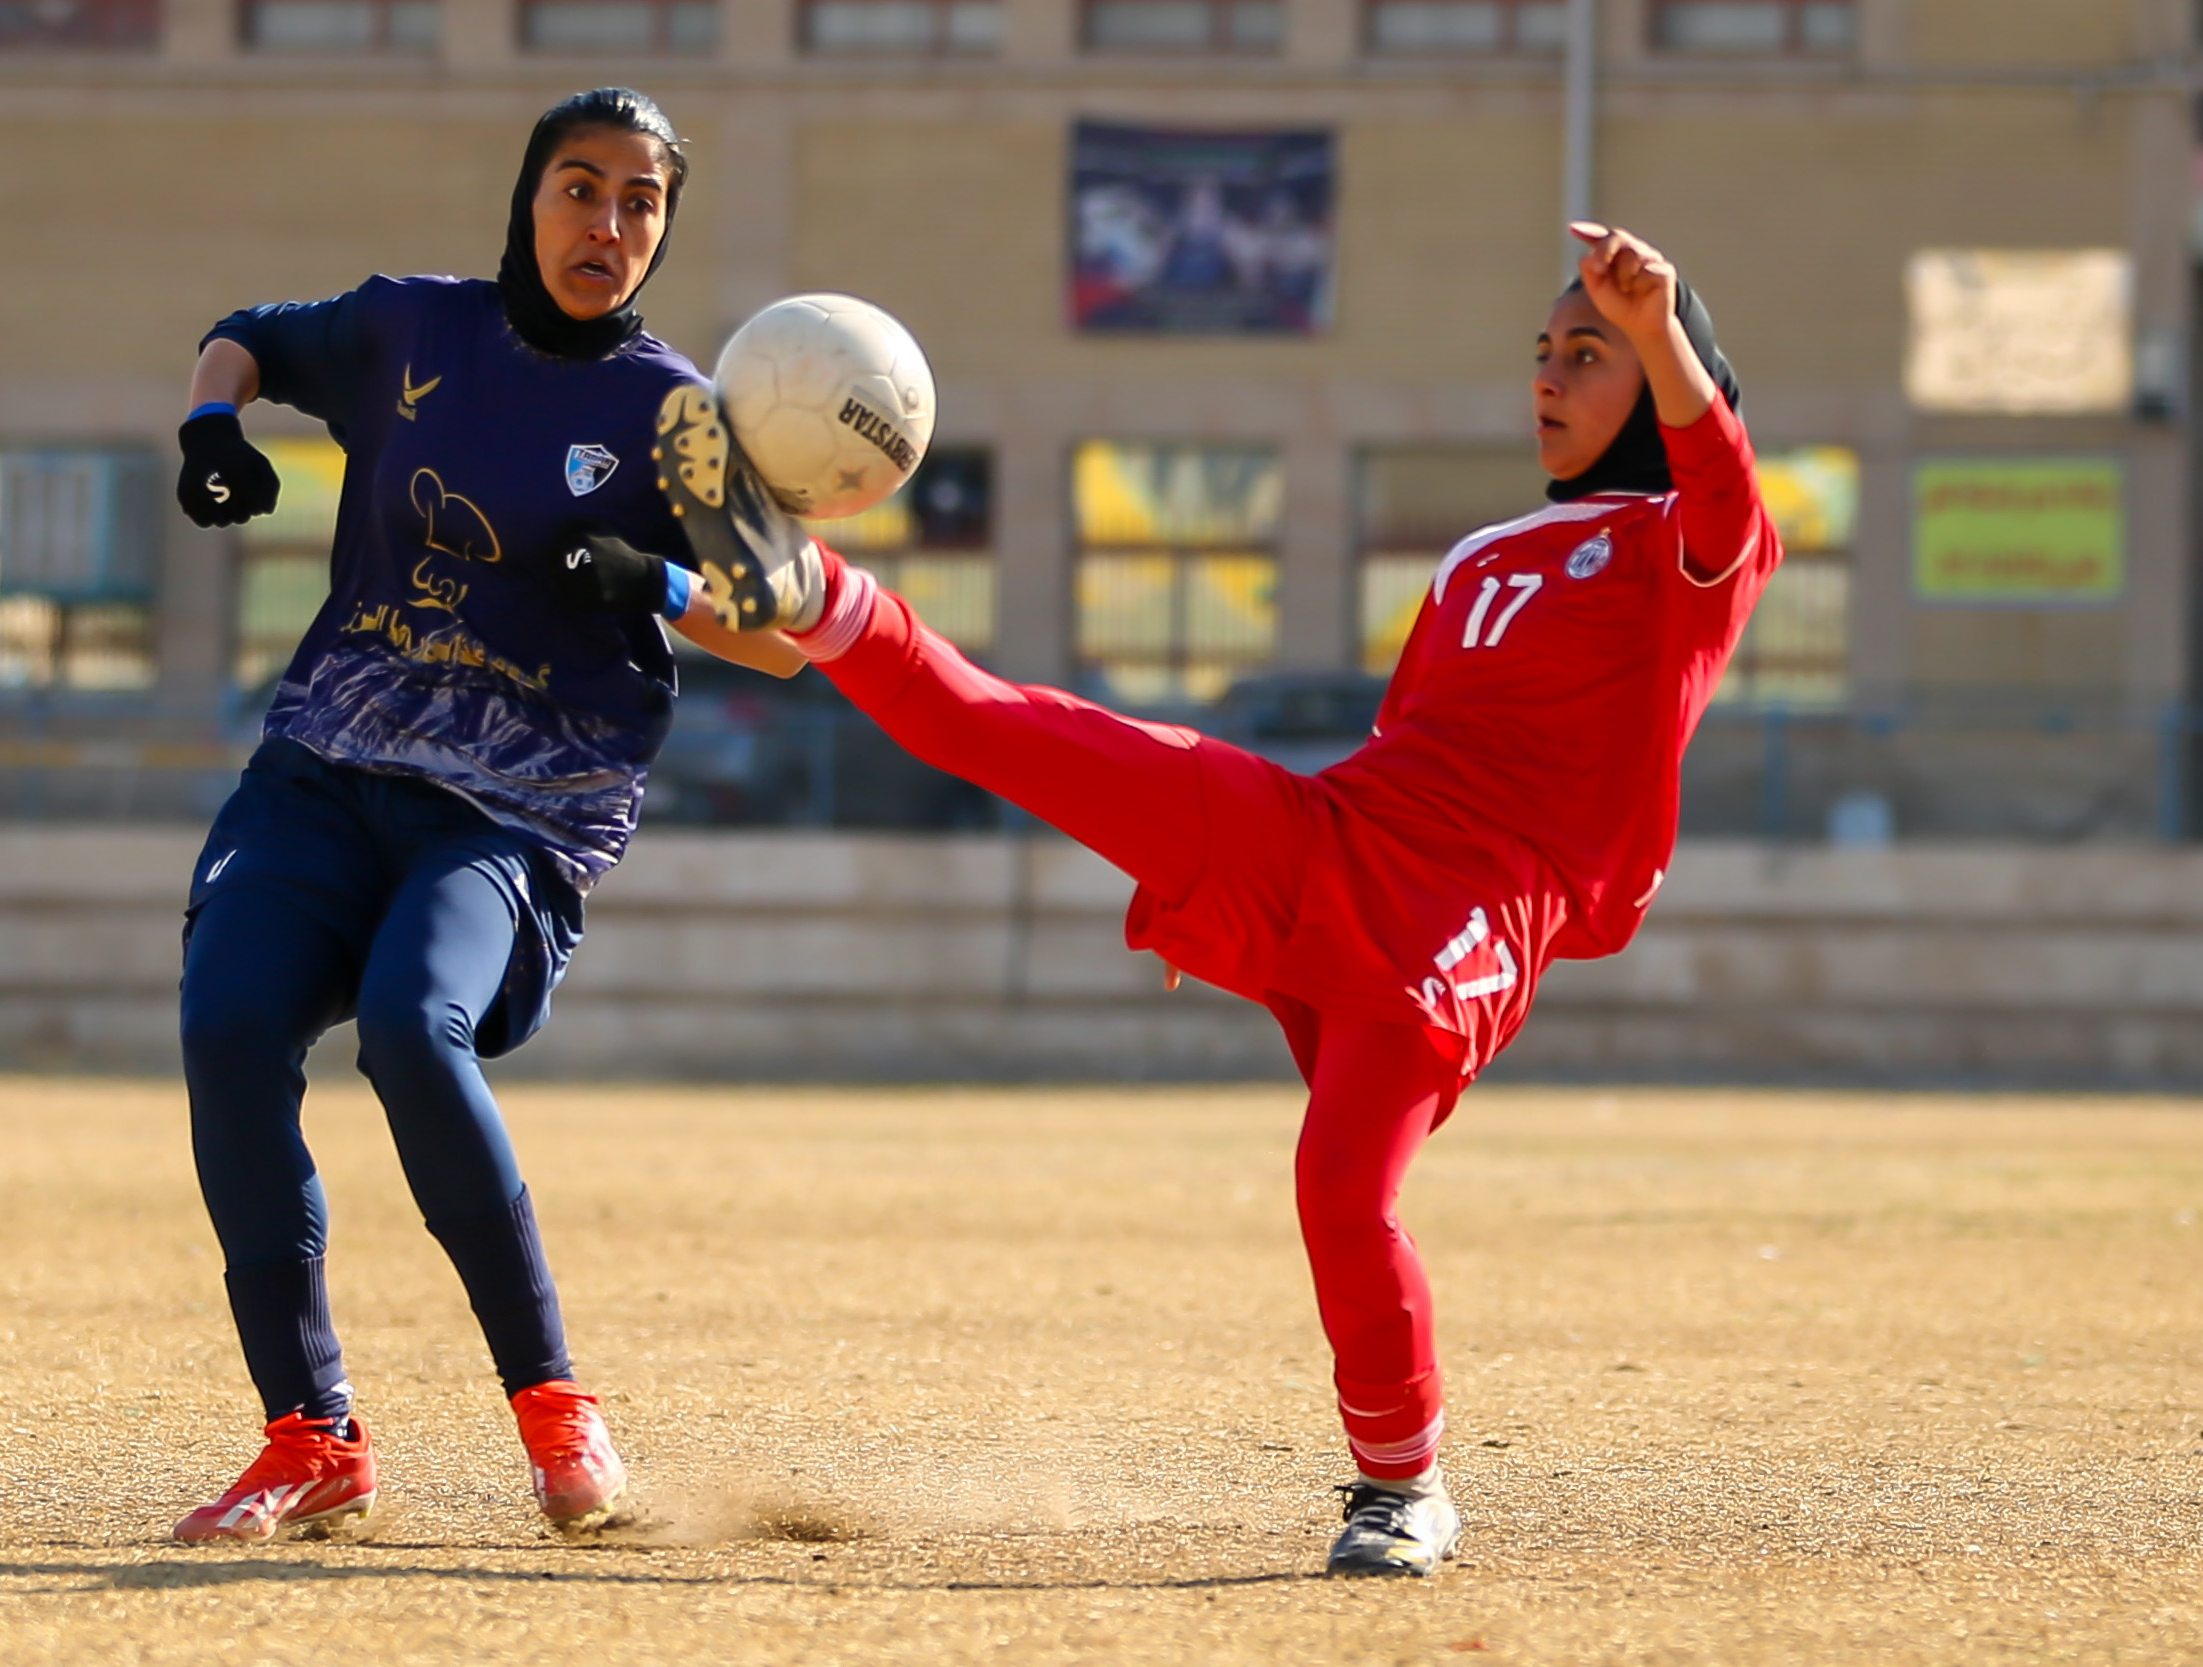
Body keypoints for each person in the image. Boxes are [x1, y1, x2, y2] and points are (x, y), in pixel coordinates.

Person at [581, 222, 1775, 1577]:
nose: (1551, 375)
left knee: (1340, 1188)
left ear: (1673, 377)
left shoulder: (1691, 547)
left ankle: (1404, 1489)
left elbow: (1726, 489)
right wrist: (679, 591)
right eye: (1545, 351)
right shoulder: (1481, 556)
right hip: (1339, 831)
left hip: (1479, 906)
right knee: (1015, 727)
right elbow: (1412, 748)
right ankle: (810, 583)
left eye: (1590, 353)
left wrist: (1661, 321)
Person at [163, 86, 801, 1545]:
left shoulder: (677, 417)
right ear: (528, 199)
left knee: (411, 1026)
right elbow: (247, 329)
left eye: (642, 201)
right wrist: (212, 422)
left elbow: (781, 625)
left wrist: (663, 584)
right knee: (225, 1022)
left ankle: (553, 1407)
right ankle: (308, 1436)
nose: (609, 222)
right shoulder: (411, 326)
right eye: (582, 187)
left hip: (512, 815)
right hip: (328, 770)